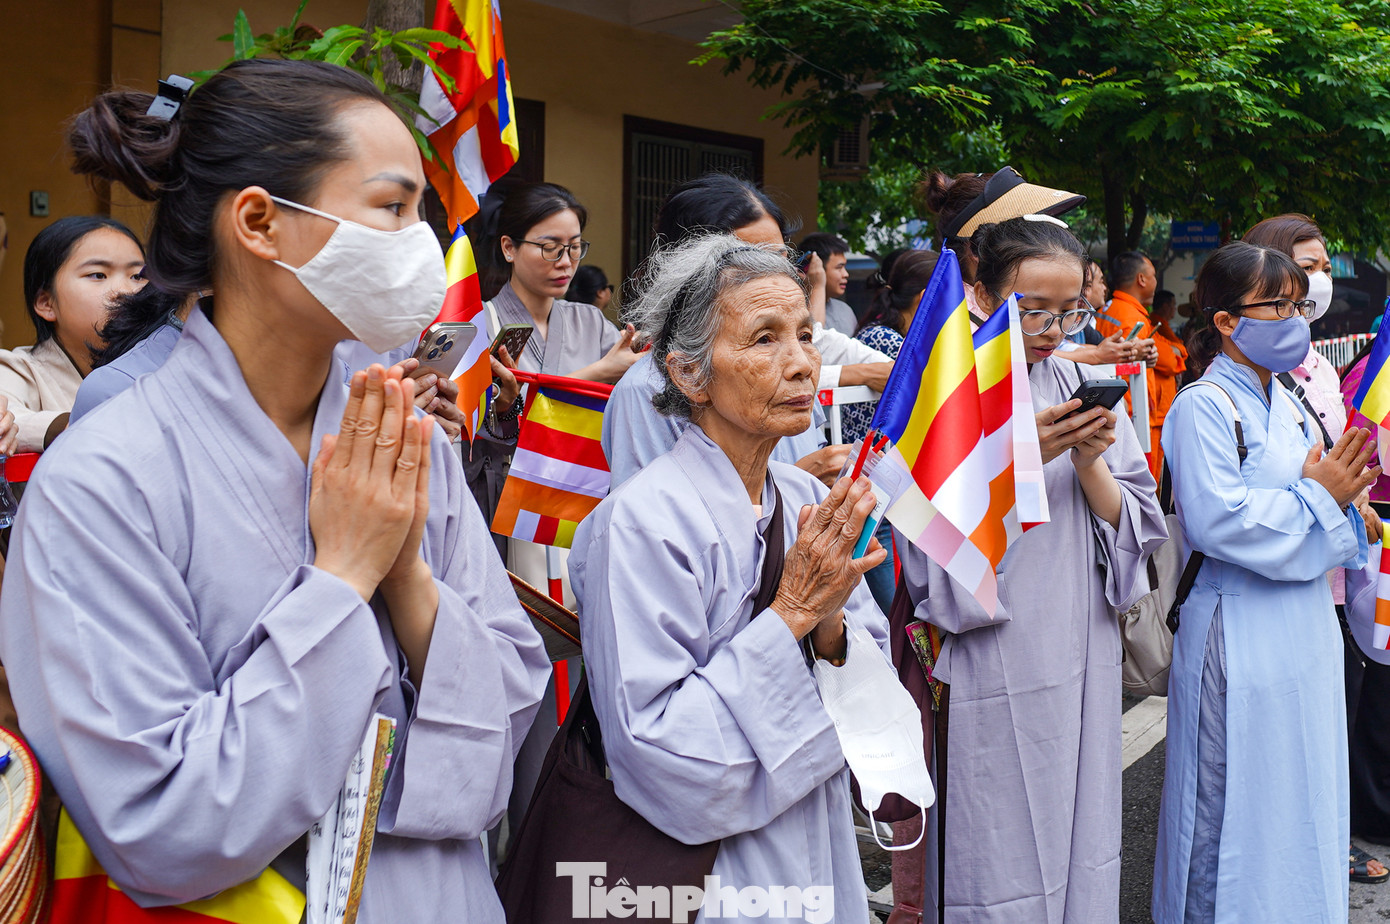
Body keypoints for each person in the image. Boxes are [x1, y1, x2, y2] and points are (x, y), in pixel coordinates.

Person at [1, 58, 550, 920]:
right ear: (259, 221)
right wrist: (340, 583)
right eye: (392, 207)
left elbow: (515, 713)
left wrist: (406, 579)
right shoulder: (102, 479)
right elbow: (160, 828)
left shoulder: (400, 433)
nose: (419, 241)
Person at [570, 233, 890, 923]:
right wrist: (795, 612)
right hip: (707, 874)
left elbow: (872, 697)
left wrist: (831, 621)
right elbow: (659, 754)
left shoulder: (804, 502)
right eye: (765, 339)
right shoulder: (640, 523)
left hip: (815, 834)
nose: (802, 363)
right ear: (689, 374)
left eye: (806, 334)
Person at [901, 216, 1166, 923]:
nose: (1053, 327)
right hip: (1001, 646)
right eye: (1033, 309)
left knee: (1083, 825)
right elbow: (930, 554)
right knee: (1002, 830)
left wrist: (1086, 461)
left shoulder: (1083, 380)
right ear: (984, 295)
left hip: (1083, 638)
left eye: (1071, 309)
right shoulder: (949, 393)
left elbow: (1136, 521)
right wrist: (1024, 461)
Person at [1152, 242, 1378, 923]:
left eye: (1296, 303)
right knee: (1234, 799)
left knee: (1303, 786)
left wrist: (1349, 504)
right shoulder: (1205, 406)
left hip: (1305, 623)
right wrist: (1320, 498)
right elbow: (1222, 524)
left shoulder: (1293, 399)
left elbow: (1323, 496)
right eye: (1276, 304)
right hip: (1240, 630)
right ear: (1225, 320)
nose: (1294, 317)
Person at [1246, 212, 1388, 885]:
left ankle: (1328, 843)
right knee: (1287, 726)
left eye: (1326, 264)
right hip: (1284, 572)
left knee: (1338, 712)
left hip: (1338, 568)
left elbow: (1335, 460)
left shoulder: (1322, 370)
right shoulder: (1245, 380)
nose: (1320, 278)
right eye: (1307, 264)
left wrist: (1358, 502)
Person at [603, 173, 890, 491]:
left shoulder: (795, 364)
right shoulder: (644, 390)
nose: (802, 365)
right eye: (749, 260)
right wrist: (792, 485)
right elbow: (653, 526)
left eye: (780, 259)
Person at [842, 248, 938, 616]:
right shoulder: (884, 341)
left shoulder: (900, 336)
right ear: (925, 297)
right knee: (892, 610)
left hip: (894, 486)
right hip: (874, 487)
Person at [2, 216, 146, 450]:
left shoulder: (162, 365)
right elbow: (9, 418)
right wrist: (68, 426)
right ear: (47, 303)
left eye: (137, 276)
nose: (125, 291)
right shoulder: (18, 369)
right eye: (98, 275)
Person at [923, 166, 1085, 317]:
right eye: (1026, 236)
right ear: (977, 247)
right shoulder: (963, 327)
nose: (1042, 241)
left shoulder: (949, 308)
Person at [1146, 288, 1189, 478]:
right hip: (1152, 404)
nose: (1174, 309)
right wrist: (1178, 350)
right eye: (1172, 305)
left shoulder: (1154, 321)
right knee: (1151, 466)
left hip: (1153, 404)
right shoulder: (1155, 322)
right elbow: (1172, 359)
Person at [799, 231, 858, 335]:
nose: (846, 274)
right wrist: (817, 285)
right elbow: (814, 340)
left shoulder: (845, 310)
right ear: (813, 266)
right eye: (839, 267)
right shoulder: (795, 309)